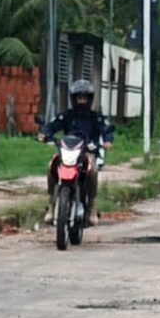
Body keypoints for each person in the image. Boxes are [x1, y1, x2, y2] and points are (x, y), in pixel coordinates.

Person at [43, 75, 112, 226]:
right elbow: (51, 126)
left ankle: (92, 207)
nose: (82, 101)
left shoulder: (95, 117)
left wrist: (107, 141)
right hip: (67, 152)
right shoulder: (66, 115)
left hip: (86, 152)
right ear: (73, 99)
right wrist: (45, 134)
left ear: (90, 99)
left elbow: (106, 130)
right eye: (79, 98)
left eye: (84, 98)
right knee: (51, 166)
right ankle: (51, 206)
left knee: (92, 170)